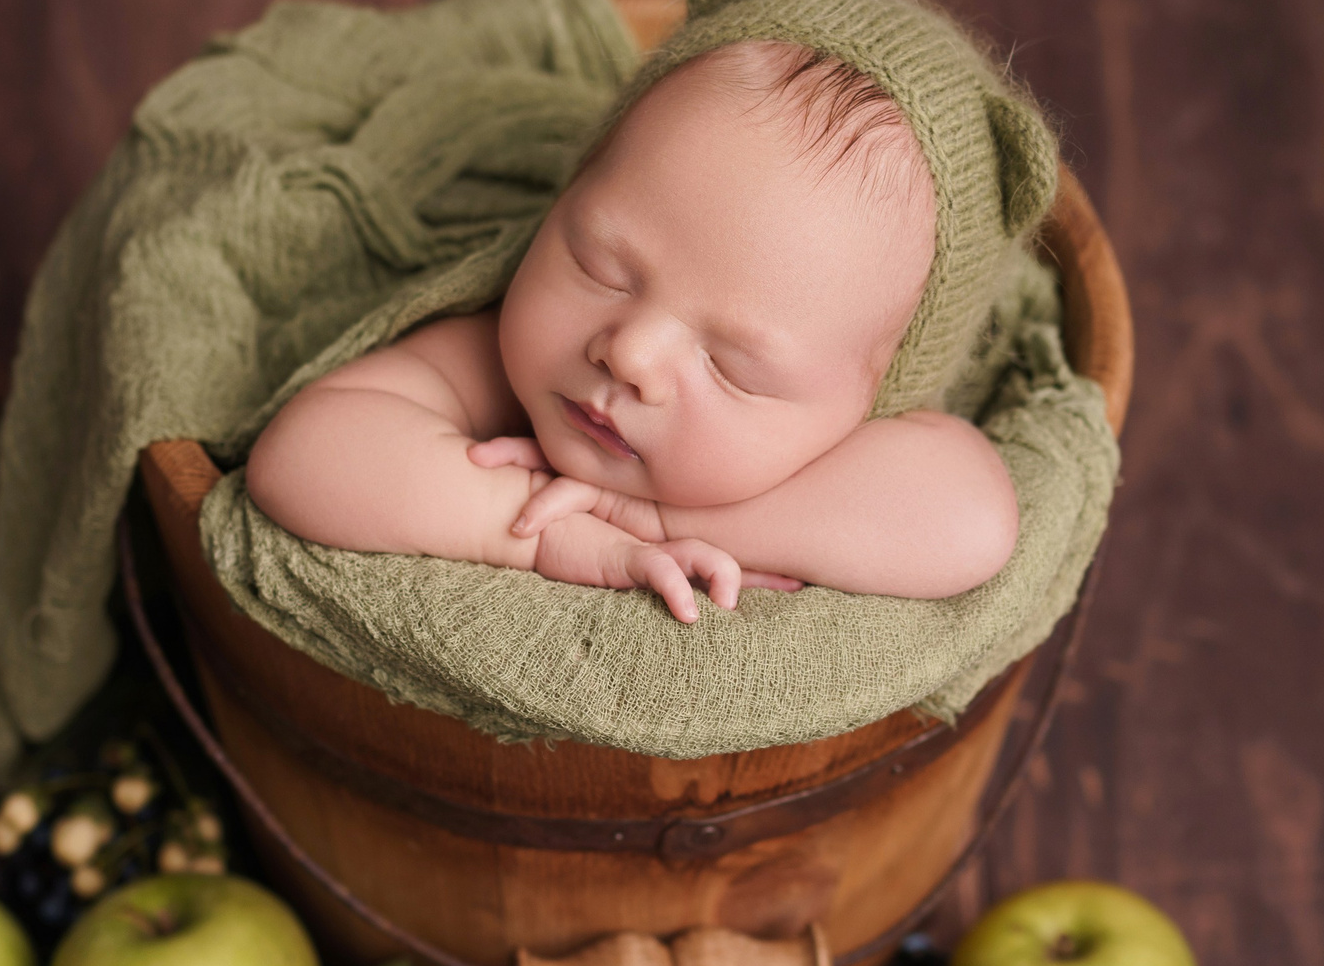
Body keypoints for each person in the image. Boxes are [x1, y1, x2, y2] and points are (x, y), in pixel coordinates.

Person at [244, 36, 1024, 623]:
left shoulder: (853, 453)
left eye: (732, 368)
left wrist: (660, 519)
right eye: (601, 269)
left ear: (869, 398)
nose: (630, 353)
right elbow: (305, 455)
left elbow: (973, 521)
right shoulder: (494, 360)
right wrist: (538, 527)